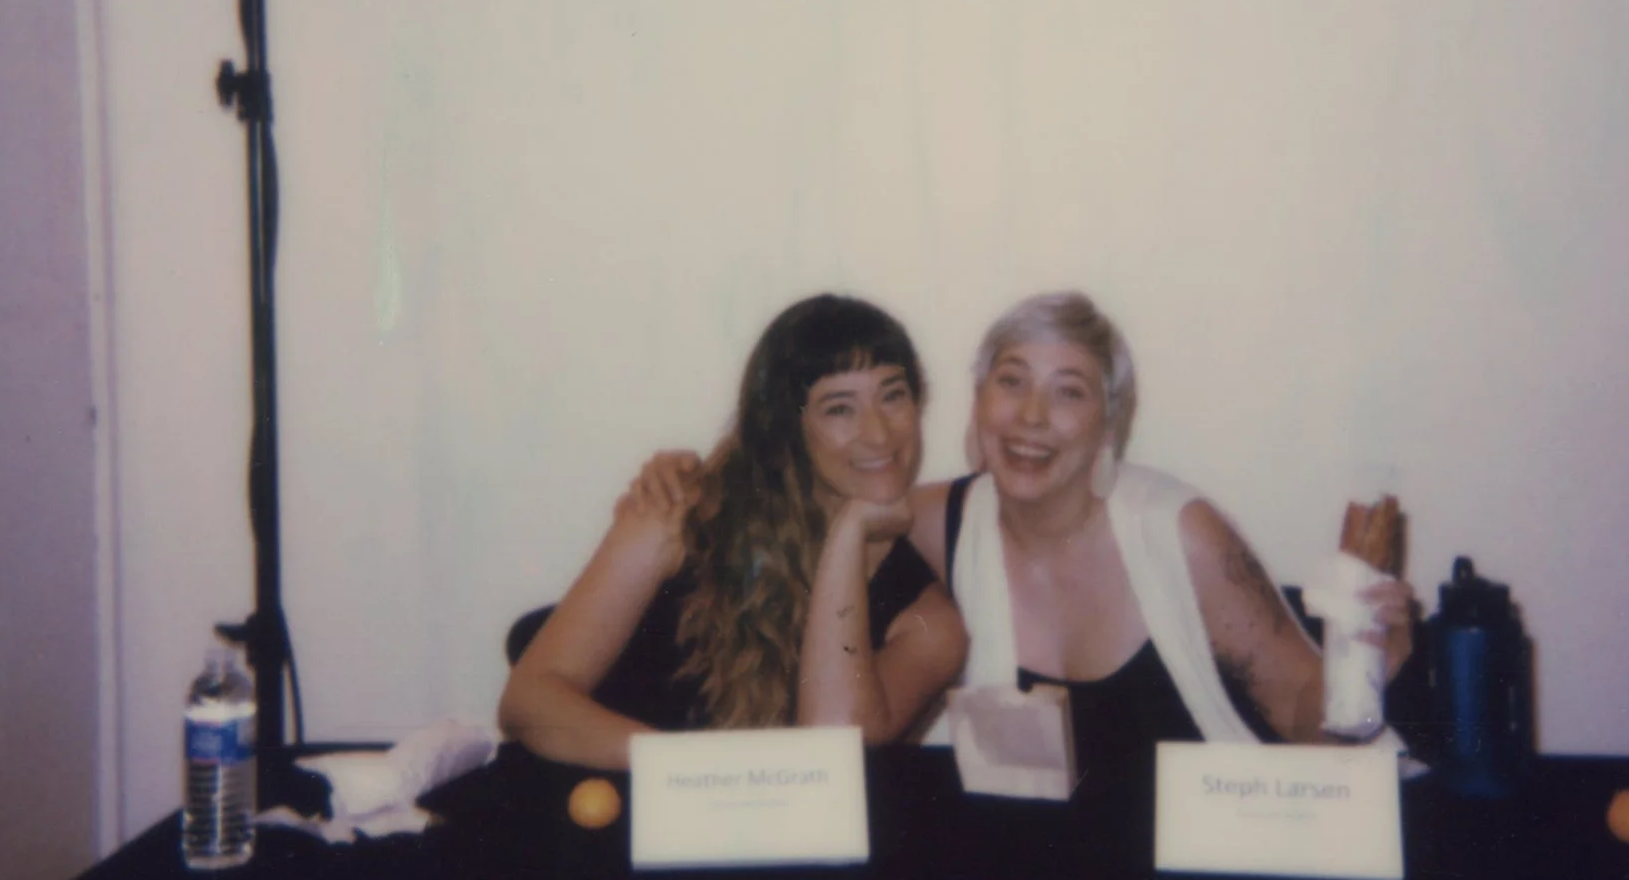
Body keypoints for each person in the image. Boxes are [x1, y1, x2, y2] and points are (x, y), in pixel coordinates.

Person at [898, 291, 1414, 784]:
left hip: (1202, 858)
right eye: (1012, 382)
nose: (1032, 415)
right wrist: (851, 527)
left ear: (1108, 426)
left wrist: (1362, 681)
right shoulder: (928, 524)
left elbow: (1300, 711)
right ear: (978, 401)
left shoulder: (1182, 533)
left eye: (1069, 391)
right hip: (1025, 860)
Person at [497, 295, 967, 772]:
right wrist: (688, 772)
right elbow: (529, 700)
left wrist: (846, 536)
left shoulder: (931, 627)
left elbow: (830, 750)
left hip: (769, 832)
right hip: (605, 794)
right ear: (789, 426)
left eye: (893, 395)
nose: (880, 434)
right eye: (838, 408)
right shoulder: (679, 512)